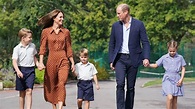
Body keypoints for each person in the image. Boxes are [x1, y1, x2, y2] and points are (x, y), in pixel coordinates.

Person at [108, 3, 150, 109]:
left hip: (133, 59)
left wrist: (146, 57)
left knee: (130, 87)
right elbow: (111, 44)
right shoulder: (115, 26)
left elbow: (145, 42)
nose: (117, 15)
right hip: (120, 59)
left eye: (119, 13)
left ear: (126, 12)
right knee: (120, 84)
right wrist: (111, 60)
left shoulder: (139, 25)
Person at [37, 9, 75, 109]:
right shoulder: (46, 32)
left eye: (63, 17)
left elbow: (69, 48)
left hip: (63, 60)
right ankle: (54, 106)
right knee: (52, 85)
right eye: (60, 17)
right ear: (54, 18)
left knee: (62, 83)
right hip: (51, 60)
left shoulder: (66, 32)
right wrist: (40, 62)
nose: (62, 19)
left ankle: (60, 107)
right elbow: (42, 48)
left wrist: (72, 62)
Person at [148, 40, 186, 109]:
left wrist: (181, 79)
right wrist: (148, 65)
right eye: (170, 51)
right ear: (168, 49)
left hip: (177, 79)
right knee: (170, 97)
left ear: (176, 49)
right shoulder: (164, 57)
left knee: (174, 100)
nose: (172, 53)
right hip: (167, 78)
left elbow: (183, 68)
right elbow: (156, 65)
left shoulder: (180, 58)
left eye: (173, 51)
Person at [12, 28, 39, 109]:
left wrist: (38, 64)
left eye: (31, 37)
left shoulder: (32, 46)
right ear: (23, 38)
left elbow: (34, 57)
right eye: (29, 37)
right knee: (22, 93)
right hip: (21, 70)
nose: (31, 39)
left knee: (29, 91)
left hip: (30, 70)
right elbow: (14, 61)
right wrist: (18, 71)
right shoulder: (17, 48)